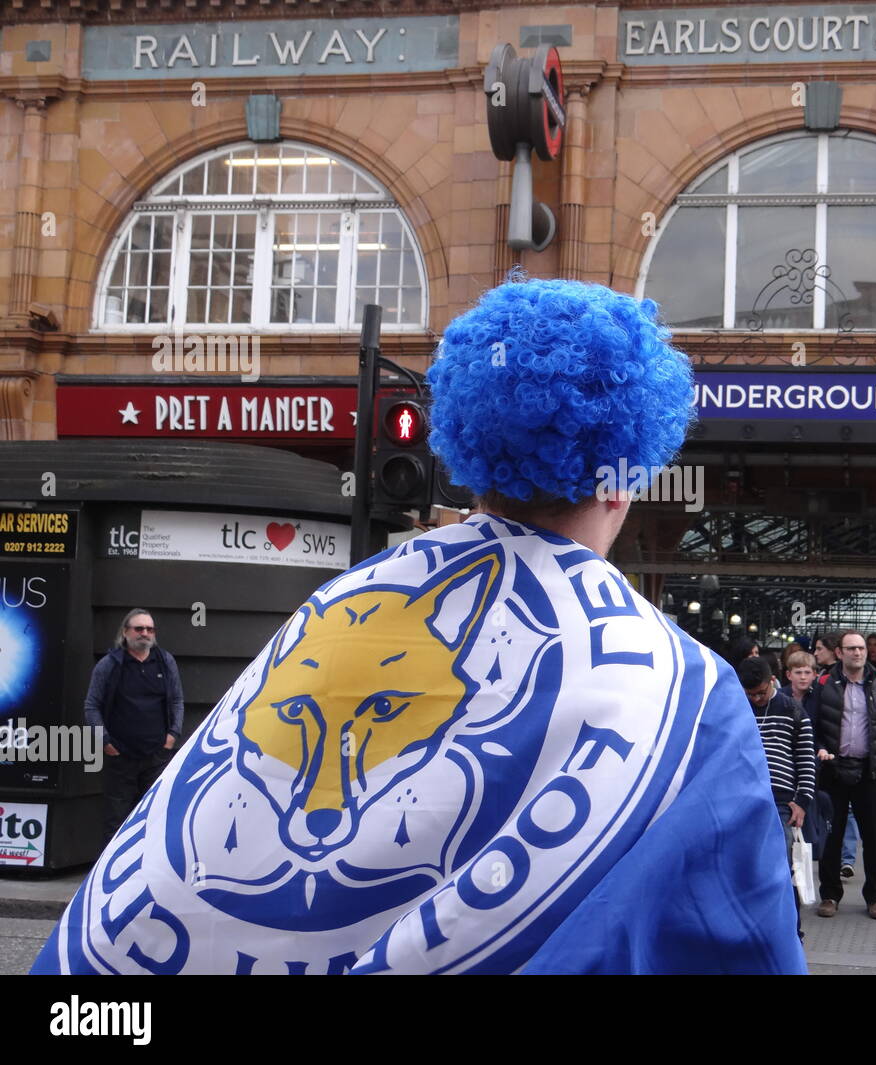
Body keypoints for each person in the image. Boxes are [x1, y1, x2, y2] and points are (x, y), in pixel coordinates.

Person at [35, 278, 805, 976]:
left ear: (468, 449)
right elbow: (745, 933)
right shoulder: (691, 691)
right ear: (627, 475)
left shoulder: (337, 607)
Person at [811, 630, 876, 920]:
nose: (858, 653)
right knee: (831, 837)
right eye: (851, 648)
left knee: (874, 838)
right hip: (833, 771)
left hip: (869, 771)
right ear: (839, 653)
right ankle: (830, 895)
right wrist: (819, 748)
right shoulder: (824, 683)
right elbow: (812, 725)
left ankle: (875, 898)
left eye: (861, 648)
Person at [82, 608, 184, 845]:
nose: (145, 633)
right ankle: (114, 868)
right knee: (116, 822)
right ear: (125, 632)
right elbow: (91, 705)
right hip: (120, 758)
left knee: (155, 818)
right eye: (139, 628)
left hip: (157, 757)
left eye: (150, 629)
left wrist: (173, 735)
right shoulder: (109, 665)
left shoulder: (165, 662)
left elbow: (177, 700)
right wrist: (105, 742)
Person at [738, 657, 817, 940]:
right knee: (747, 865)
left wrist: (803, 800)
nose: (756, 699)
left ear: (772, 681)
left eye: (761, 693)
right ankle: (753, 928)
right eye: (750, 695)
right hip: (744, 799)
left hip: (782, 802)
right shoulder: (738, 708)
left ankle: (790, 931)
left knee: (782, 865)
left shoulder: (793, 710)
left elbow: (806, 758)